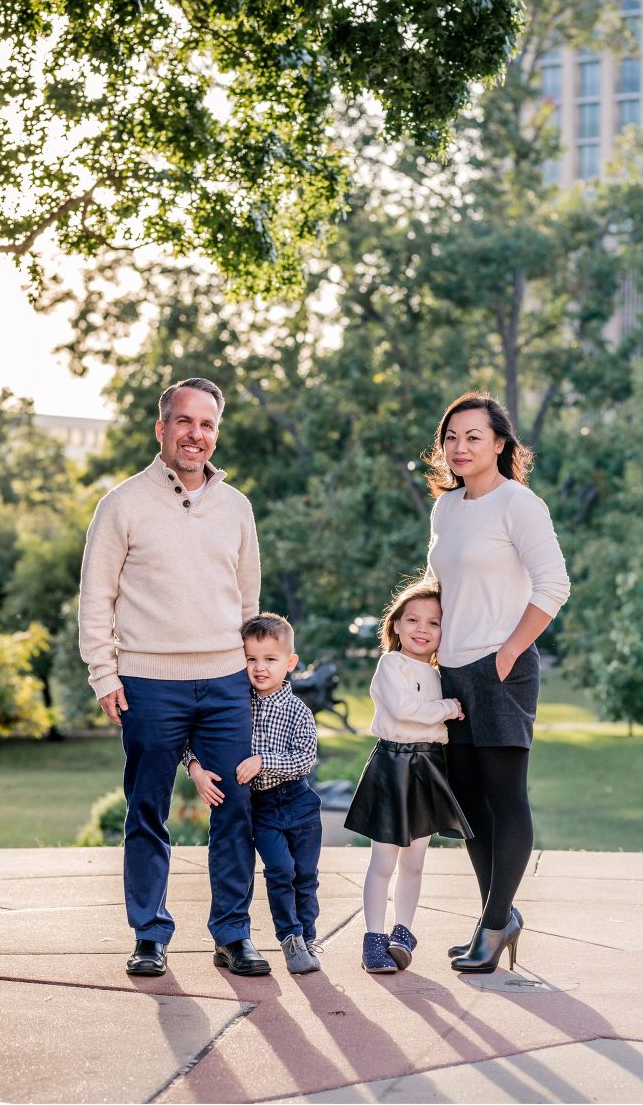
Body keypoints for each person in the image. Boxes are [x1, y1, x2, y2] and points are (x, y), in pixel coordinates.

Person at [79, 376, 271, 978]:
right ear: (162, 429)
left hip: (224, 683)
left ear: (217, 432)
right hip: (148, 683)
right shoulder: (122, 504)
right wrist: (103, 673)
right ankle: (150, 934)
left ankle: (233, 934)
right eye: (184, 422)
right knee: (148, 808)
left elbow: (248, 601)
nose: (196, 434)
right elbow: (95, 598)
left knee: (235, 809)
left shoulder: (236, 507)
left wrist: (251, 675)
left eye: (207, 424)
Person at [424, 390, 570, 974]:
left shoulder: (519, 505)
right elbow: (447, 586)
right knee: (469, 806)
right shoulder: (446, 509)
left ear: (500, 444)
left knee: (505, 797)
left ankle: (492, 924)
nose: (460, 448)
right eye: (451, 438)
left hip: (502, 671)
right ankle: (498, 915)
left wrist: (506, 655)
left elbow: (553, 586)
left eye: (473, 437)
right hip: (452, 671)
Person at [344, 579, 473, 974]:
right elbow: (403, 709)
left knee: (415, 861)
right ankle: (373, 939)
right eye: (412, 619)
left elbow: (434, 723)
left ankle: (403, 933)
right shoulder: (391, 665)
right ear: (396, 625)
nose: (422, 629)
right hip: (393, 766)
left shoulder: (438, 673)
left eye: (434, 623)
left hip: (427, 768)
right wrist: (449, 708)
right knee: (383, 860)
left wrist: (445, 707)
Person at [188, 613, 323, 976]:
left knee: (305, 876)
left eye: (270, 659)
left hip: (298, 803)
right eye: (251, 659)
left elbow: (306, 757)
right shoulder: (237, 705)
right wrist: (195, 766)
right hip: (262, 807)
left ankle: (309, 937)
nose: (260, 668)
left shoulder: (297, 710)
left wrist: (264, 761)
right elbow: (195, 736)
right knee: (280, 869)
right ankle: (290, 938)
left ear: (290, 663)